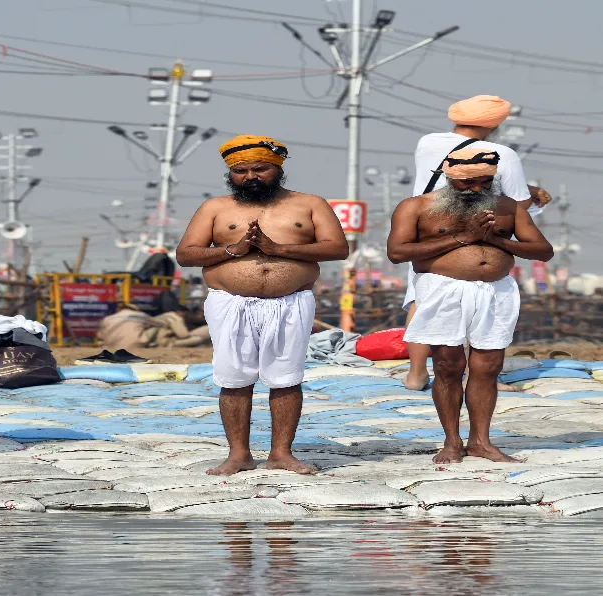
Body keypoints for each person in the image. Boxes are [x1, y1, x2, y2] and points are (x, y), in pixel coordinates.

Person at [175, 135, 349, 476]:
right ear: (231, 173)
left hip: (291, 303)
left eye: (260, 168)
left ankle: (281, 454)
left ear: (278, 168)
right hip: (230, 303)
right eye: (241, 171)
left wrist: (279, 249)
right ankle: (238, 454)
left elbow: (338, 248)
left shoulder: (309, 203)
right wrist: (232, 251)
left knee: (286, 378)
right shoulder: (215, 208)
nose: (251, 177)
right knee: (234, 378)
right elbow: (186, 254)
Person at [388, 146, 553, 464]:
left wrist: (495, 240)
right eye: (468, 183)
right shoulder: (416, 206)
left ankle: (481, 441)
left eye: (485, 181)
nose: (477, 189)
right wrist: (464, 238)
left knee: (488, 368)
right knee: (448, 367)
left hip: (496, 291)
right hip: (443, 289)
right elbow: (397, 252)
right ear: (450, 177)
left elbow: (543, 251)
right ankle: (452, 442)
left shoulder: (508, 207)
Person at [403, 95, 553, 390]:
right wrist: (536, 197)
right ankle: (475, 375)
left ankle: (416, 373)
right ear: (495, 123)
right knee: (480, 303)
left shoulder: (428, 142)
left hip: (429, 229)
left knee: (423, 301)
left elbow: (457, 175)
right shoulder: (501, 153)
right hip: (481, 230)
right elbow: (515, 202)